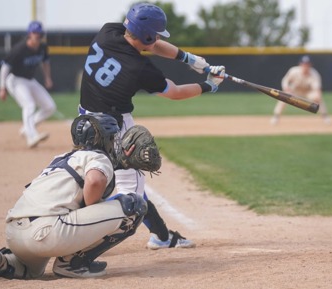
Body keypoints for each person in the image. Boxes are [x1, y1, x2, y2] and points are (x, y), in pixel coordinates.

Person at [78, 2, 225, 250]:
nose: (157, 38)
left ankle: (161, 234)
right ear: (146, 35)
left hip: (83, 120)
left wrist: (189, 59)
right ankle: (84, 235)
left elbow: (151, 43)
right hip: (114, 127)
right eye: (155, 33)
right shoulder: (138, 68)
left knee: (97, 176)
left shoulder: (108, 32)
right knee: (131, 193)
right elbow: (175, 92)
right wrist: (209, 85)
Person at [0, 114, 149, 280]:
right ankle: (73, 264)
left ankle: (3, 261)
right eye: (112, 136)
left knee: (30, 271)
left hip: (15, 234)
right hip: (47, 231)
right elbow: (95, 180)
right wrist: (94, 205)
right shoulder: (98, 157)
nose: (115, 140)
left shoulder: (61, 157)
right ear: (102, 138)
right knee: (134, 206)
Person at [0, 20, 57, 148]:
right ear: (29, 34)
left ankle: (27, 128)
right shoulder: (19, 49)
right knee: (29, 105)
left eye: (39, 33)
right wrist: (2, 88)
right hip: (15, 80)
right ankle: (31, 136)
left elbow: (45, 62)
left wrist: (48, 78)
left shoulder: (42, 48)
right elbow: (5, 68)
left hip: (29, 80)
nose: (37, 35)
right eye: (34, 33)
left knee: (50, 106)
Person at [270, 55, 330, 125]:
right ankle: (276, 116)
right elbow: (285, 80)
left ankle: (325, 116)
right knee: (283, 97)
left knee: (318, 97)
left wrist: (317, 95)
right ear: (300, 64)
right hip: (295, 91)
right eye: (304, 64)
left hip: (308, 92)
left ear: (310, 65)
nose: (305, 66)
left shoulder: (314, 74)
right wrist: (286, 88)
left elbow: (317, 88)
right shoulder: (294, 71)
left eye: (307, 64)